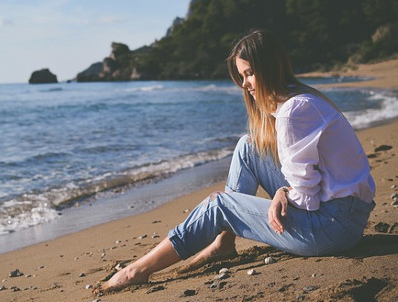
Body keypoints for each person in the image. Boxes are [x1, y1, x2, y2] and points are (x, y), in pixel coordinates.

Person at [95, 29, 376, 294]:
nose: (245, 84)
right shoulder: (302, 99)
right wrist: (285, 192)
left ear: (270, 67)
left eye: (250, 73)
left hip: (332, 228)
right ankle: (223, 242)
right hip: (343, 215)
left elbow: (307, 200)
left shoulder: (293, 111)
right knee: (248, 146)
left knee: (219, 205)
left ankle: (138, 269)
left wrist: (283, 192)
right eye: (242, 75)